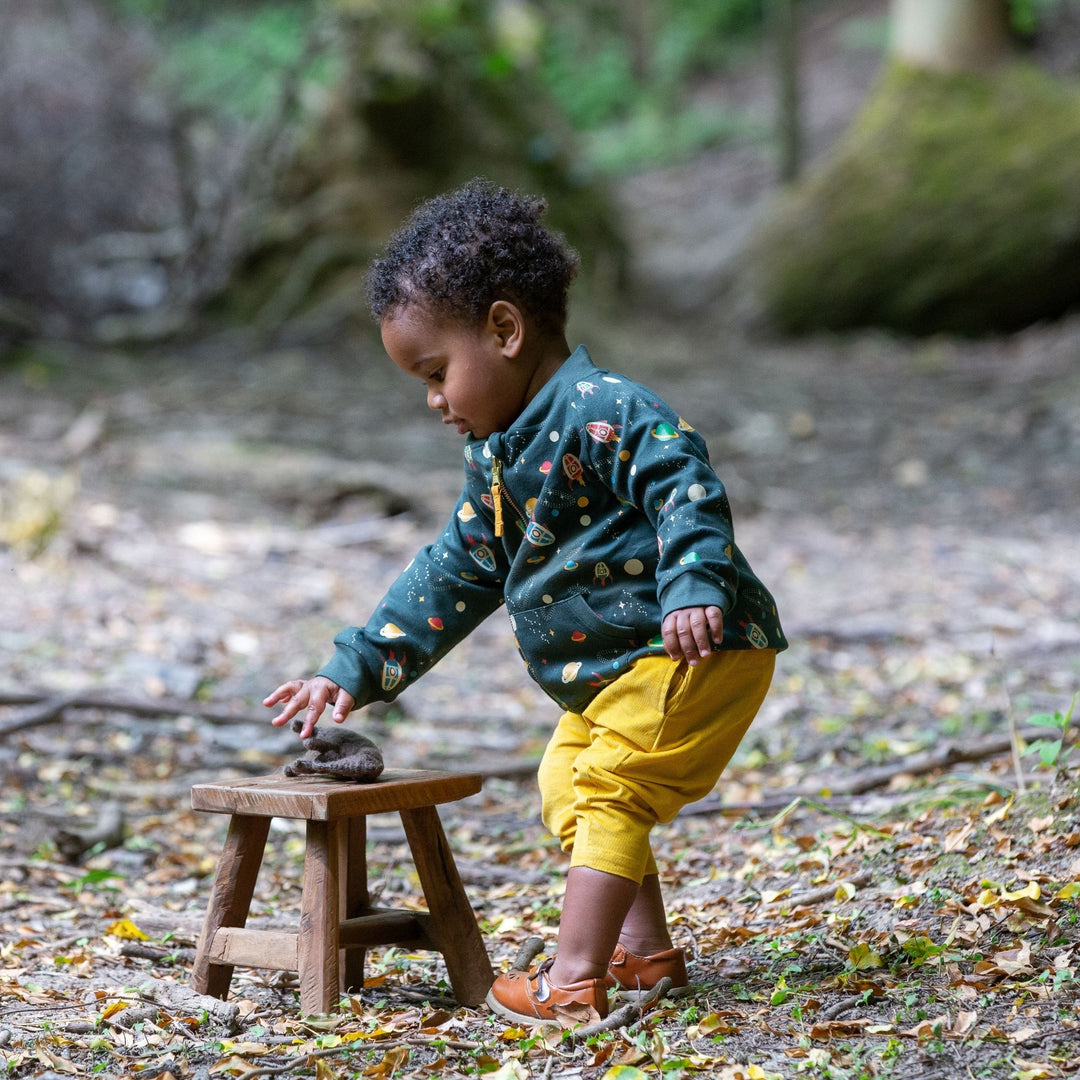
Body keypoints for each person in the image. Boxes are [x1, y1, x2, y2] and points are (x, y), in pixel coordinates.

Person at [264, 178, 787, 1026]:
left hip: (693, 645)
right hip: (617, 672)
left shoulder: (604, 409)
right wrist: (355, 665)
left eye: (437, 373)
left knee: (613, 786)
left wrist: (695, 585)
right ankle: (643, 958)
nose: (434, 401)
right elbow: (453, 571)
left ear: (504, 330)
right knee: (567, 782)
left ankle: (573, 981)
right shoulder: (500, 458)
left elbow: (685, 488)